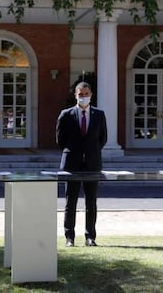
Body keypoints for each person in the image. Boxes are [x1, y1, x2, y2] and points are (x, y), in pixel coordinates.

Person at [56, 82, 107, 247]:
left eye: (86, 94)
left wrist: (90, 152)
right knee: (70, 202)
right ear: (75, 95)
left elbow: (103, 138)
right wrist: (75, 151)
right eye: (80, 94)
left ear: (91, 94)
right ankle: (69, 237)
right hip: (72, 164)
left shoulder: (99, 114)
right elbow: (60, 140)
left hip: (92, 163)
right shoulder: (66, 114)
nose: (83, 97)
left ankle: (90, 237)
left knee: (91, 203)